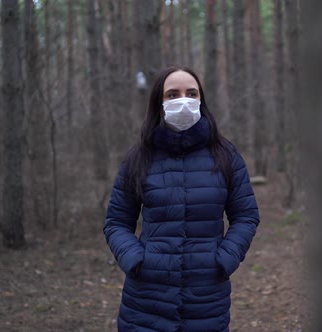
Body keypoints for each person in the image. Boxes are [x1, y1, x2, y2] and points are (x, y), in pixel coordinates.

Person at [104, 66, 260, 332]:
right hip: (146, 297)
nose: (183, 100)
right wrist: (137, 260)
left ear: (201, 100)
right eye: (172, 94)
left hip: (207, 295)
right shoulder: (138, 158)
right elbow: (116, 222)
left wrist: (225, 259)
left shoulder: (226, 155)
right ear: (159, 103)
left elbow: (246, 216)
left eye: (191, 93)